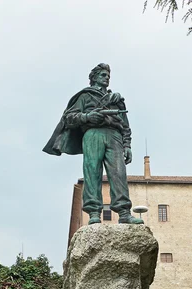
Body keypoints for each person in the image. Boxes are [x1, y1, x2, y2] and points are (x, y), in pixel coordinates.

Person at [43, 63, 143, 225]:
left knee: (119, 173)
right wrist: (88, 116)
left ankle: (124, 212)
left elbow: (125, 123)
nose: (107, 78)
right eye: (103, 75)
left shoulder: (116, 99)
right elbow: (69, 118)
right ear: (94, 77)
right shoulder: (85, 96)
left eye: (108, 76)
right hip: (92, 134)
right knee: (92, 172)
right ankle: (94, 212)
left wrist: (127, 145)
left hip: (114, 135)